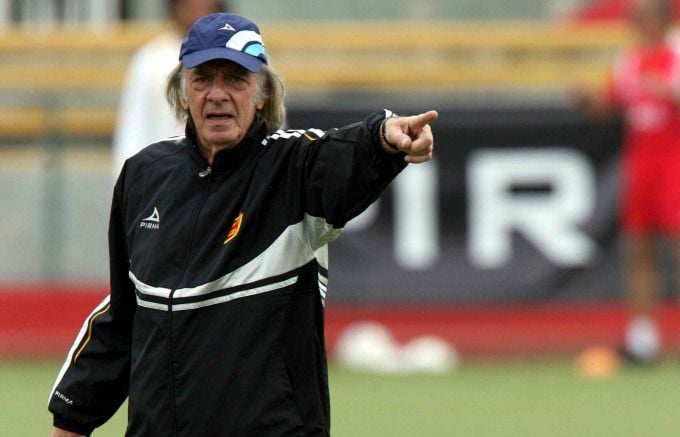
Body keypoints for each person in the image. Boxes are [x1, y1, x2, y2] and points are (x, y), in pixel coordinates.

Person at [49, 12, 438, 437]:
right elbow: (124, 316)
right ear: (182, 92)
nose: (217, 94)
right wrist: (71, 419)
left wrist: (384, 138)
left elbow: (342, 153)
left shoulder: (291, 170)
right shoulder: (144, 175)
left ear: (262, 93)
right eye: (202, 79)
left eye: (235, 79)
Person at [571, 0, 680, 363]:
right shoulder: (629, 58)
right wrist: (585, 100)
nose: (639, 24)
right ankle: (642, 339)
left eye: (645, 16)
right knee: (638, 245)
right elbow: (608, 105)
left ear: (664, 18)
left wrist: (678, 94)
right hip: (642, 158)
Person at [112, 0, 226, 177]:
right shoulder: (150, 60)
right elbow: (134, 127)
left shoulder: (241, 56)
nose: (199, 10)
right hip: (164, 177)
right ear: (176, 8)